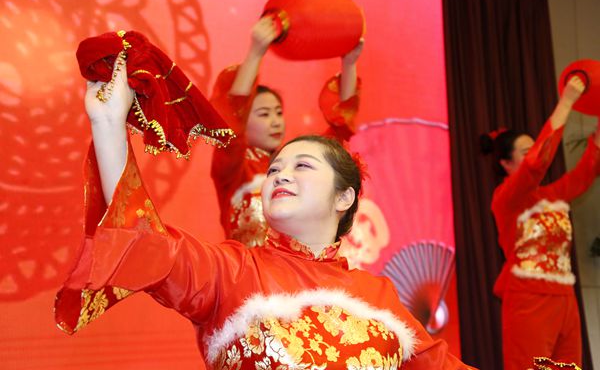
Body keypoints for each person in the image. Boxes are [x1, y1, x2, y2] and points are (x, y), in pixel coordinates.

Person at [55, 61, 475, 369]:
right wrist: (108, 125)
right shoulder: (231, 272)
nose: (280, 175)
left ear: (344, 197)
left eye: (302, 166)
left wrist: (350, 61)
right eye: (275, 170)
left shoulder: (378, 297)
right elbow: (146, 242)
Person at [210, 16, 363, 247]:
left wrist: (349, 64)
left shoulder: (299, 161)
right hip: (247, 268)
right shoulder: (234, 169)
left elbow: (340, 127)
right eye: (264, 114)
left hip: (295, 266)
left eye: (278, 113)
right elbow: (232, 115)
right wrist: (256, 51)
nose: (275, 122)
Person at [481, 76, 600, 370]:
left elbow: (584, 175)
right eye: (526, 151)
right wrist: (566, 102)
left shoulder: (551, 196)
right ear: (505, 164)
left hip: (565, 298)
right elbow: (538, 162)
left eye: (535, 148)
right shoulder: (506, 199)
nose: (536, 153)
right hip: (528, 297)